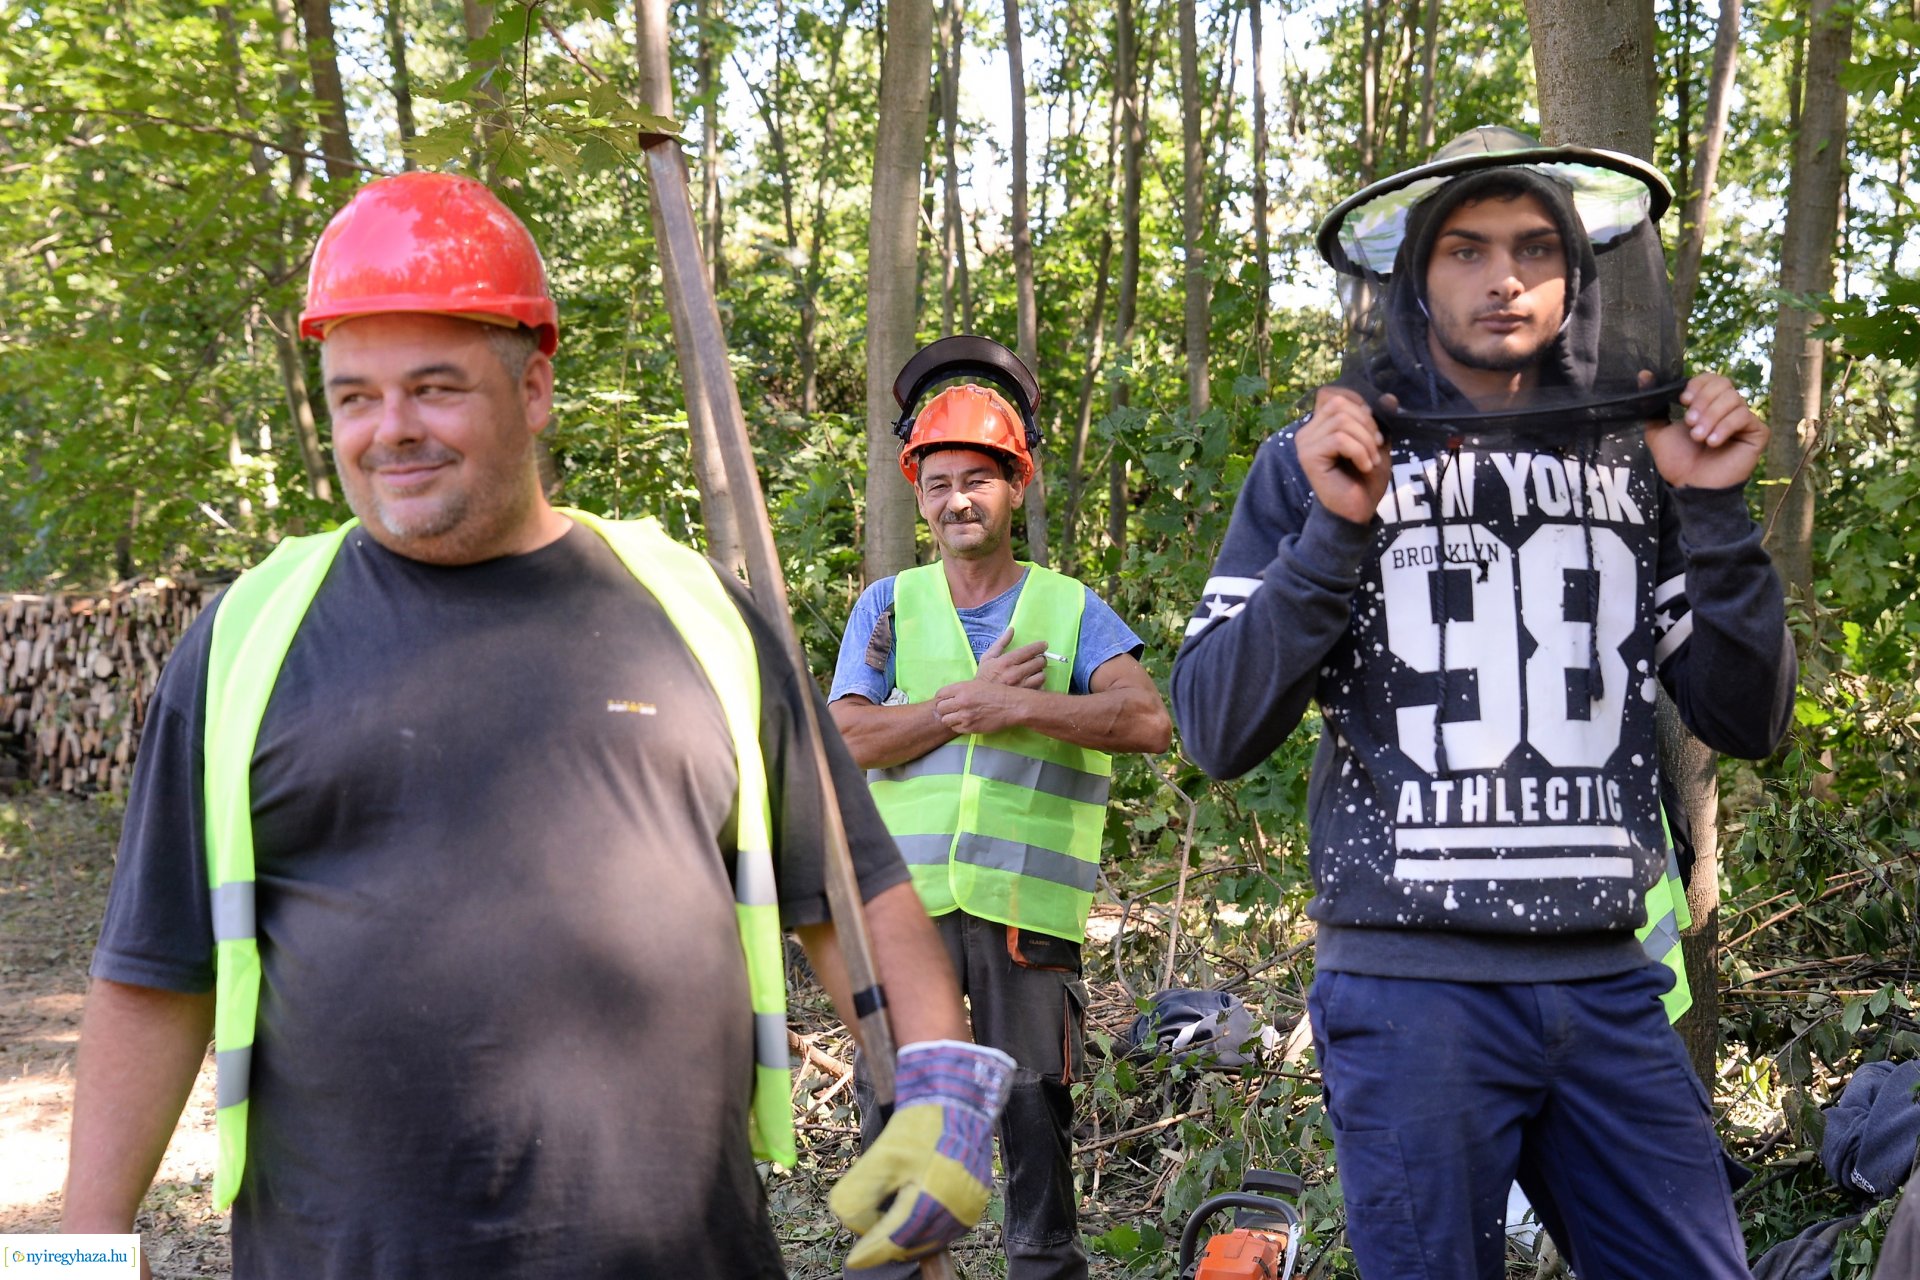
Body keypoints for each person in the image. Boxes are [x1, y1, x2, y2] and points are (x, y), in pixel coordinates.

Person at [61, 171, 1012, 1280]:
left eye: (433, 386)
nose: (390, 430)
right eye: (354, 396)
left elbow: (857, 889)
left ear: (536, 385)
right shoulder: (246, 641)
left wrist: (943, 1097)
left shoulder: (692, 614)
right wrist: (72, 1261)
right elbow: (151, 976)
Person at [1170, 126, 1796, 1280]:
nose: (1502, 277)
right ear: (1410, 274)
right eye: (1463, 250)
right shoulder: (1311, 461)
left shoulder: (1636, 460)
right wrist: (1332, 530)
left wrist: (1714, 514)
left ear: (1577, 272)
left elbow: (1747, 717)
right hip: (1414, 996)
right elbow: (1212, 723)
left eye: (1531, 248)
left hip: (1608, 985)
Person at [828, 336, 1172, 1279]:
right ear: (918, 493)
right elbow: (847, 742)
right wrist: (954, 707)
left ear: (1015, 487)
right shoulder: (887, 609)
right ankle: (906, 1268)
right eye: (937, 484)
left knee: (1032, 1102)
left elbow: (1146, 720)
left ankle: (1044, 1270)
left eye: (977, 479)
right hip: (906, 906)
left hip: (1025, 908)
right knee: (901, 1099)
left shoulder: (1069, 610)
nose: (957, 500)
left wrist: (1015, 704)